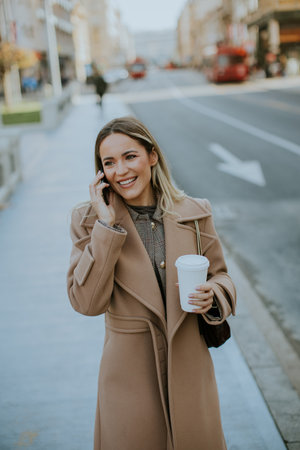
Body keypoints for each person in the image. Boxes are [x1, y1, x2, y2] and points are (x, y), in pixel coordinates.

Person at [67, 116, 236, 450]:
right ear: (101, 173)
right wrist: (106, 227)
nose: (121, 171)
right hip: (129, 377)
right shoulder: (88, 221)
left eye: (130, 156)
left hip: (190, 368)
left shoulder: (195, 212)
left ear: (152, 156)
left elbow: (222, 275)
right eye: (109, 163)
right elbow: (86, 303)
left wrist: (213, 294)